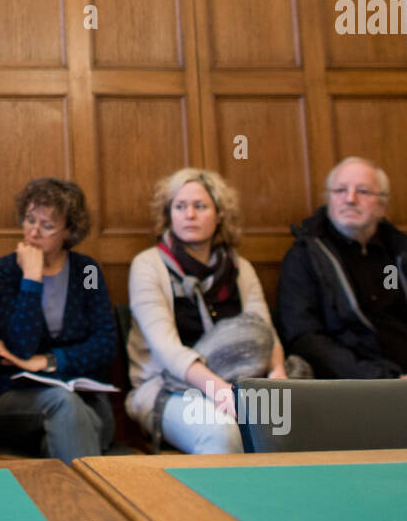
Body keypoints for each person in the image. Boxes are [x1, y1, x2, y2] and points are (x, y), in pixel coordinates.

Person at [126, 168, 308, 455]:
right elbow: (167, 349)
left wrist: (277, 379)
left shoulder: (239, 267)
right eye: (180, 206)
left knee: (287, 425)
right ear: (169, 214)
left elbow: (265, 331)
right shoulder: (148, 265)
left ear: (220, 214)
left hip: (243, 381)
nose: (189, 215)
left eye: (200, 206)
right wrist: (222, 392)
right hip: (167, 389)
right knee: (223, 434)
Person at [278, 156, 407, 378]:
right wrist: (380, 381)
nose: (350, 199)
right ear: (328, 199)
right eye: (339, 190)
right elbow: (305, 337)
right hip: (354, 388)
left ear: (382, 205)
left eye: (363, 191)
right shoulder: (305, 256)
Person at [0, 178, 116, 464]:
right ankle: (86, 504)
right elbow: (19, 348)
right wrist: (32, 279)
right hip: (19, 396)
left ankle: (59, 487)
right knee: (66, 408)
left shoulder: (87, 272)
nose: (33, 232)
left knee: (77, 417)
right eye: (29, 220)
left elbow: (106, 343)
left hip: (83, 393)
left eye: (46, 226)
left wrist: (49, 361)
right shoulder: (4, 271)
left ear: (68, 231)